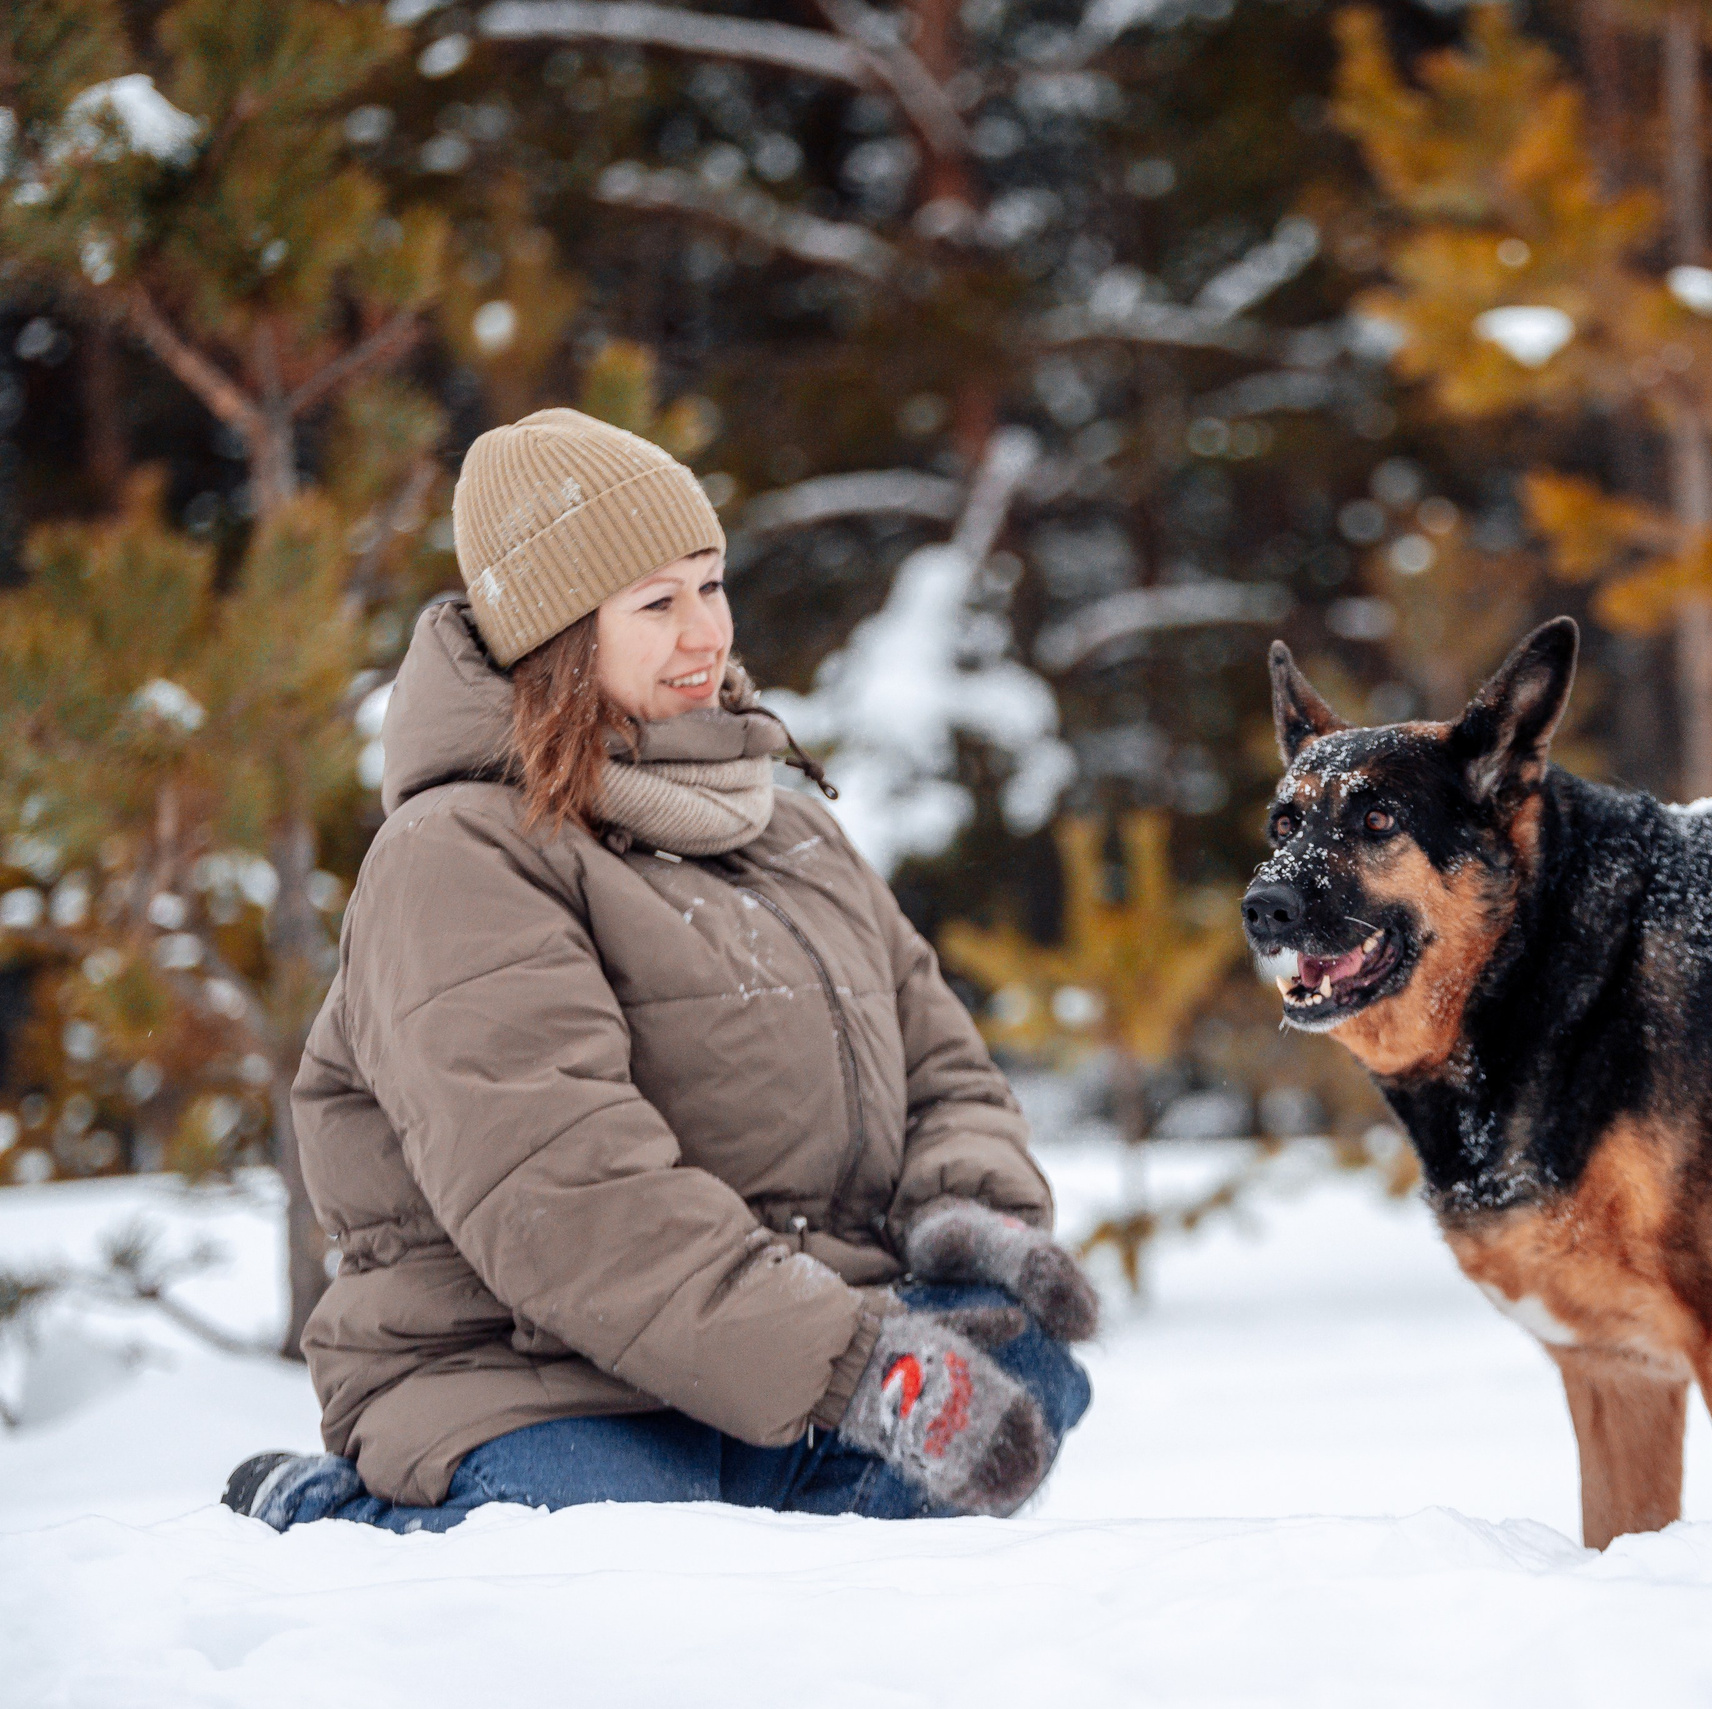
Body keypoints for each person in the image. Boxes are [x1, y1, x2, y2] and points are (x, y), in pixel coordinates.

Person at [222, 408, 1094, 1533]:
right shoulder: (457, 854)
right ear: (558, 636)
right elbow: (565, 1198)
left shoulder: (790, 833)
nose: (706, 634)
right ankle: (342, 1517)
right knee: (634, 1556)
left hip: (802, 1350)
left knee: (1022, 1358)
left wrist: (964, 1215)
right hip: (537, 1373)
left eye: (711, 585)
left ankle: (800, 1499)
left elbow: (946, 1071)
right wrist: (858, 1367)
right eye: (656, 602)